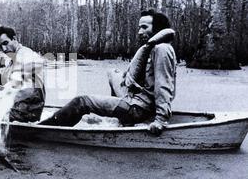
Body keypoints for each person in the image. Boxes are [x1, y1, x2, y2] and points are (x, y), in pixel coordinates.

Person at [40, 9, 177, 136]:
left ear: (157, 29)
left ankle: (44, 130)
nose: (140, 32)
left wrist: (160, 120)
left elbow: (163, 86)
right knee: (113, 73)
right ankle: (120, 119)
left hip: (138, 109)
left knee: (82, 102)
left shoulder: (162, 50)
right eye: (139, 28)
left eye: (145, 27)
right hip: (133, 98)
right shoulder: (153, 48)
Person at [0, 26, 45, 123]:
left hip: (27, 110)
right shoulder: (16, 56)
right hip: (21, 104)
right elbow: (5, 81)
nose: (4, 49)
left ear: (14, 39)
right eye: (1, 46)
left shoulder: (24, 55)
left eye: (6, 43)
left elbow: (15, 86)